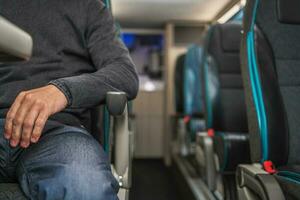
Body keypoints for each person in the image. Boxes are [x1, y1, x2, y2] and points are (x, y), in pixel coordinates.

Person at [0, 0, 139, 199]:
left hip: (58, 134)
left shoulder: (89, 7)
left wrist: (62, 91)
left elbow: (125, 75)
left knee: (84, 184)